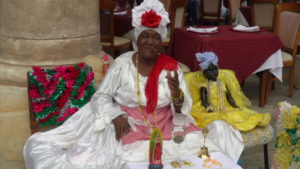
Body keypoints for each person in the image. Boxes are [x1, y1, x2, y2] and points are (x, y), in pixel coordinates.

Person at [23, 1, 244, 168]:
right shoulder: (121, 64)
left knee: (201, 149)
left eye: (155, 37)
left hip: (164, 122)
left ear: (161, 42)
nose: (150, 41)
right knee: (105, 157)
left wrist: (177, 95)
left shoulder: (172, 67)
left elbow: (181, 108)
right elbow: (101, 97)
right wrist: (116, 116)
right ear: (137, 39)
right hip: (128, 122)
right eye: (145, 36)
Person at [185, 52, 271, 132]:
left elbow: (229, 96)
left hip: (225, 107)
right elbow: (204, 101)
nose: (212, 73)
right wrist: (208, 107)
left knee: (236, 115)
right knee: (214, 121)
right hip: (213, 109)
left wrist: (234, 104)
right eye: (209, 71)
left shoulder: (222, 83)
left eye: (214, 70)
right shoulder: (204, 86)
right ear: (204, 73)